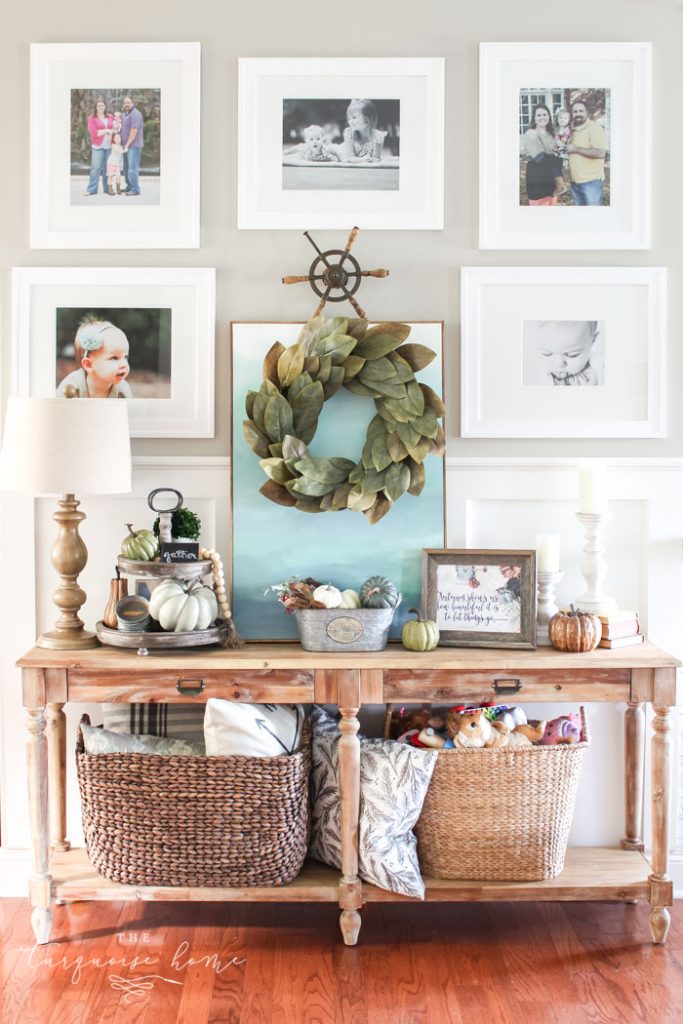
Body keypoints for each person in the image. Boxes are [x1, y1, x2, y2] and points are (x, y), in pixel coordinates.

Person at [56, 316, 133, 398]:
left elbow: (129, 410)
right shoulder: (70, 389)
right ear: (88, 364)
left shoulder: (123, 391)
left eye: (125, 357)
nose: (124, 364)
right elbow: (58, 409)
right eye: (114, 358)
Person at [525, 320, 601, 386]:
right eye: (547, 354)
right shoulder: (532, 373)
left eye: (572, 355)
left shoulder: (599, 369)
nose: (559, 364)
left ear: (592, 341)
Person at [522, 104, 564, 205]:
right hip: (538, 179)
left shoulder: (551, 134)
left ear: (549, 116)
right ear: (534, 118)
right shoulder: (531, 133)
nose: (542, 117)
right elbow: (540, 158)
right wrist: (563, 160)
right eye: (539, 115)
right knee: (539, 213)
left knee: (552, 210)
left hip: (552, 180)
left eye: (544, 114)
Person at [567, 100, 606, 206]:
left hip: (591, 183)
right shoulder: (572, 129)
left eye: (581, 111)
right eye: (575, 112)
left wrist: (576, 149)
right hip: (575, 182)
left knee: (593, 218)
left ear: (587, 112)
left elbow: (600, 153)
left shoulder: (595, 128)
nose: (578, 114)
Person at [83, 98, 113, 196]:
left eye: (102, 105)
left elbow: (114, 129)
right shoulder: (91, 118)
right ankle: (92, 189)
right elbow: (94, 133)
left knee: (107, 168)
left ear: (105, 107)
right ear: (96, 107)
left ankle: (107, 188)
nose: (101, 107)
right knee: (95, 168)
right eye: (99, 106)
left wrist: (114, 128)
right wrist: (107, 130)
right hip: (97, 147)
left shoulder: (110, 116)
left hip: (109, 146)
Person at [121, 94, 144, 197]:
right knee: (126, 168)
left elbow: (134, 130)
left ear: (132, 103)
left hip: (133, 146)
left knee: (132, 168)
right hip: (125, 146)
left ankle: (135, 189)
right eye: (125, 103)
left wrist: (128, 144)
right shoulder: (125, 114)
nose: (126, 104)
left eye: (128, 102)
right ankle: (129, 186)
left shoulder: (135, 114)